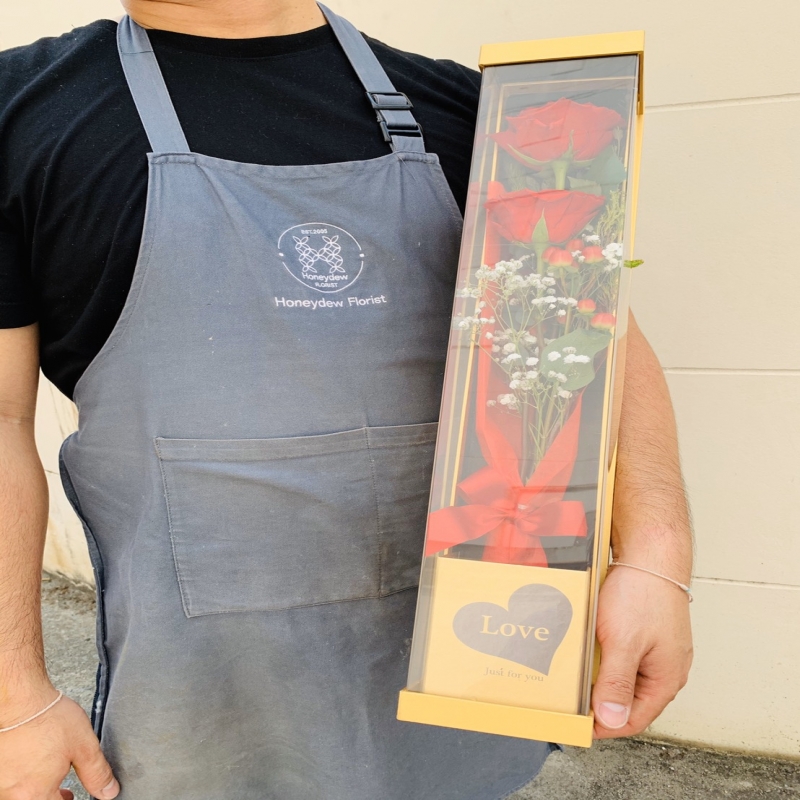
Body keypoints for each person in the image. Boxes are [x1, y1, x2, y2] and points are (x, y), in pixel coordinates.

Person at [0, 1, 694, 798]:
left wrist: (656, 554)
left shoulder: (497, 118)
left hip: (469, 680)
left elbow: (593, 339)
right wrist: (13, 698)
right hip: (208, 714)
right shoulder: (21, 112)